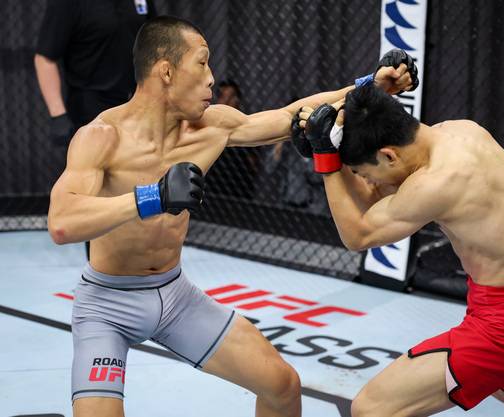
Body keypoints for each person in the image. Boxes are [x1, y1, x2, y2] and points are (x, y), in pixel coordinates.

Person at [47, 16, 414, 417]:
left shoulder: (210, 126)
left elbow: (290, 116)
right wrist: (153, 197)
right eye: (202, 63)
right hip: (107, 305)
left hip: (175, 296)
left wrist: (370, 87)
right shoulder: (102, 136)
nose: (211, 78)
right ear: (166, 71)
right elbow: (62, 222)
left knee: (282, 385)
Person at [293, 85, 504, 416]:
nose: (369, 182)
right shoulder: (460, 130)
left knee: (371, 409)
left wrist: (326, 159)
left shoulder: (438, 183)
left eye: (366, 174)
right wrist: (334, 149)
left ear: (388, 155)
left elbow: (358, 235)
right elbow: (380, 193)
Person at [34, 0, 157, 146]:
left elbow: (155, 41)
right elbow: (45, 59)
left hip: (137, 107)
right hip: (91, 111)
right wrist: (58, 115)